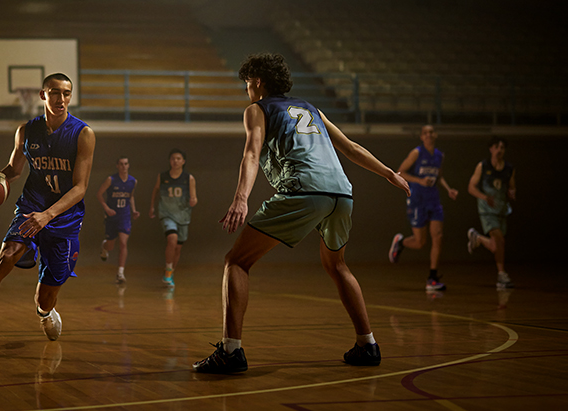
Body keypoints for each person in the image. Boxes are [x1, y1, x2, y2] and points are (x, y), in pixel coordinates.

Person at [192, 53, 410, 374]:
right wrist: (390, 173)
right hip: (341, 193)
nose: (247, 89)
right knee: (337, 265)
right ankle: (368, 344)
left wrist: (241, 198)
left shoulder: (257, 109)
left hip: (305, 191)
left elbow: (252, 153)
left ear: (257, 82)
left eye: (248, 83)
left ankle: (231, 351)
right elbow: (350, 147)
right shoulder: (310, 108)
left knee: (236, 261)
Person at [0, 73, 96, 356]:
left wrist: (48, 215)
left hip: (64, 217)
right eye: (54, 93)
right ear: (42, 95)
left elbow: (80, 188)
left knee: (45, 296)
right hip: (31, 207)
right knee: (5, 257)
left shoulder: (83, 134)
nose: (60, 99)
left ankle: (45, 312)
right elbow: (14, 170)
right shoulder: (26, 131)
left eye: (66, 93)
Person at [387, 125, 459, 291]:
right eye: (425, 133)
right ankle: (401, 243)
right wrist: (419, 181)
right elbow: (400, 172)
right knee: (420, 242)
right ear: (421, 136)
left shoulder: (440, 155)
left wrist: (449, 190)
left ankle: (432, 277)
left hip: (433, 199)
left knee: (438, 236)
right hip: (418, 199)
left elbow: (438, 176)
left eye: (431, 132)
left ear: (436, 135)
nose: (429, 135)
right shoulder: (416, 153)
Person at [467, 136, 516, 289]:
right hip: (487, 211)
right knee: (499, 241)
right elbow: (471, 188)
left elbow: (512, 186)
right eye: (497, 147)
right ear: (491, 149)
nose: (500, 150)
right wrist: (485, 197)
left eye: (502, 148)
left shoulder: (509, 169)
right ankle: (501, 275)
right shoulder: (483, 166)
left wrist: (512, 192)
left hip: (501, 210)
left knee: (497, 246)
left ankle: (478, 238)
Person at [148, 149, 197, 288]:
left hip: (182, 215)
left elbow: (194, 198)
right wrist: (152, 207)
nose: (175, 161)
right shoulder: (163, 176)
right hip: (167, 214)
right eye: (173, 158)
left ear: (183, 161)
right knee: (172, 239)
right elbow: (156, 190)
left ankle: (170, 273)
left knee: (178, 248)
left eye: (178, 158)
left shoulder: (189, 178)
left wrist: (193, 200)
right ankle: (168, 271)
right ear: (170, 161)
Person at [97, 156, 140, 284]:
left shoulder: (133, 181)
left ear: (128, 165)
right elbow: (99, 194)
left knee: (123, 243)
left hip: (124, 216)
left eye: (126, 164)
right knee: (110, 245)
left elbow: (130, 197)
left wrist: (134, 210)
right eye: (121, 164)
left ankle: (120, 273)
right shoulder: (111, 180)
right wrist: (106, 208)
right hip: (112, 215)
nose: (123, 166)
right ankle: (104, 246)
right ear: (117, 166)